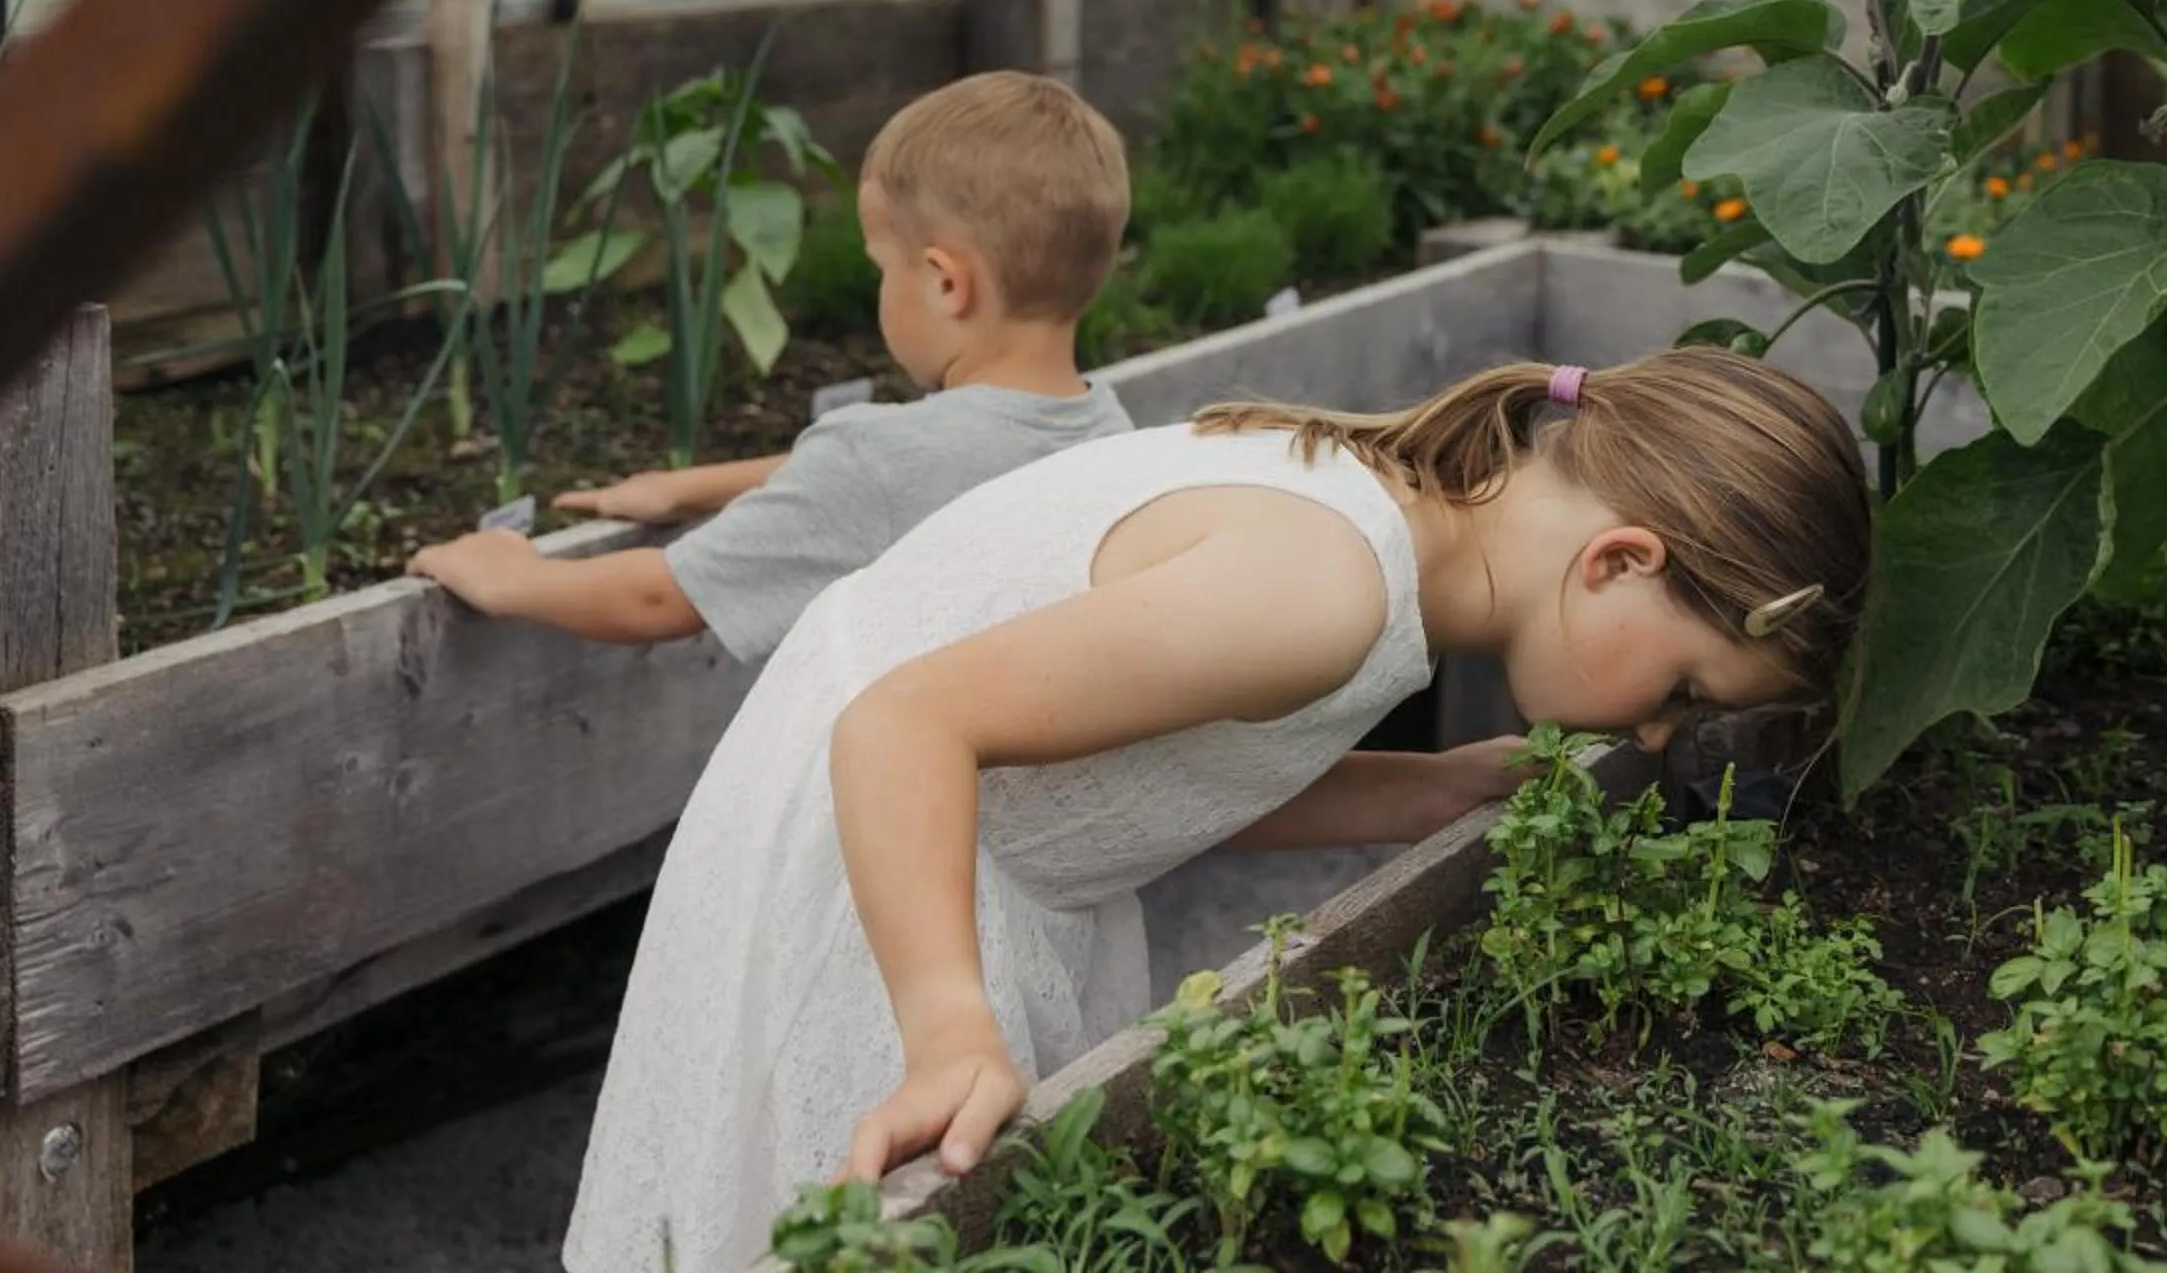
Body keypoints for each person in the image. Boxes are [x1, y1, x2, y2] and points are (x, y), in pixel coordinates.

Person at [563, 346, 1871, 1273]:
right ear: (1620, 560)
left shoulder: (1396, 527)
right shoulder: (1325, 592)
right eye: (1686, 689)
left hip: (967, 827)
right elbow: (903, 723)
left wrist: (1429, 789)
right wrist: (950, 1027)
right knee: (839, 1214)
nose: (1651, 736)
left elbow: (1169, 768)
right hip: (885, 851)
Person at [407, 72, 1135, 663]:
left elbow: (658, 599)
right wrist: (687, 488)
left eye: (880, 265)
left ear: (947, 283)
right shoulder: (1105, 426)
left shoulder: (878, 457)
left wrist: (515, 578)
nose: (879, 285)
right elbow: (905, 472)